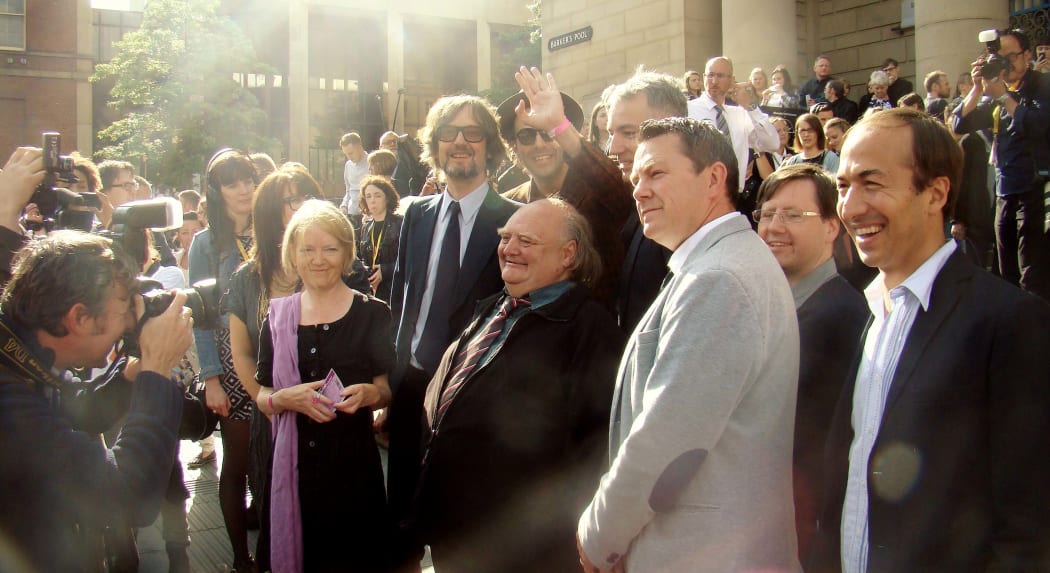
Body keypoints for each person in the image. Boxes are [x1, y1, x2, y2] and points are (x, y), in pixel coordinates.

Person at [810, 107, 1050, 571]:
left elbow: (1029, 528)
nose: (852, 207)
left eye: (871, 183)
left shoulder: (1010, 322)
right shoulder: (867, 314)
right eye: (843, 186)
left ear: (936, 192)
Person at [577, 117, 800, 572]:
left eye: (656, 173)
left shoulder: (719, 278)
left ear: (715, 178)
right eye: (636, 177)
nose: (638, 190)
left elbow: (666, 442)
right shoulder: (718, 265)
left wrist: (599, 537)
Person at [0, 147, 192, 570]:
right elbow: (127, 495)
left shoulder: (22, 358)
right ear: (79, 318)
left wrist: (128, 381)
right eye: (124, 308)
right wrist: (157, 371)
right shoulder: (9, 405)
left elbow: (71, 416)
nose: (130, 322)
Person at [413, 199, 622, 573]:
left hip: (523, 550)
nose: (509, 249)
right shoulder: (495, 307)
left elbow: (595, 452)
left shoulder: (589, 329)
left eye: (526, 240)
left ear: (568, 254)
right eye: (506, 237)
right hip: (456, 535)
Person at [385, 94, 519, 571]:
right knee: (400, 524)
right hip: (410, 387)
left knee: (458, 536)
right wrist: (391, 377)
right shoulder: (415, 215)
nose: (460, 142)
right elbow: (403, 298)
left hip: (472, 402)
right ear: (434, 146)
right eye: (448, 133)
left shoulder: (512, 219)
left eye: (473, 133)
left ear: (491, 147)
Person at [256, 199, 394, 572]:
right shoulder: (278, 315)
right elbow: (262, 394)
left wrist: (371, 394)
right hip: (294, 468)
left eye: (330, 249)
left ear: (347, 253)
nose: (319, 259)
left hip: (352, 469)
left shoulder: (372, 312)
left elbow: (385, 387)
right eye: (308, 250)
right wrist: (284, 398)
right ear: (293, 254)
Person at [753, 163, 868, 562]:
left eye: (793, 215)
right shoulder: (775, 308)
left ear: (833, 227)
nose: (774, 227)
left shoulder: (843, 316)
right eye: (767, 214)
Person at [224, 164, 318, 571]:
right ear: (268, 212)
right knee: (274, 517)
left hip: (325, 415)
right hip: (272, 415)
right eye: (290, 200)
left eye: (306, 196)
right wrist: (263, 397)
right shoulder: (247, 278)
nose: (301, 207)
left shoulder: (329, 265)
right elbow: (241, 350)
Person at [497, 67, 635, 309]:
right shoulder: (508, 204)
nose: (539, 144)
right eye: (527, 136)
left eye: (548, 134)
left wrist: (559, 125)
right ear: (514, 147)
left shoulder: (600, 191)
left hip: (594, 335)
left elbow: (623, 192)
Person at [188, 147, 259, 572]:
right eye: (233, 183)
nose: (244, 189)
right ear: (215, 189)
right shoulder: (204, 242)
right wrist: (211, 378)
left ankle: (274, 547)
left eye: (248, 179)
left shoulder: (270, 227)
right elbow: (198, 319)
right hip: (230, 361)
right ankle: (239, 557)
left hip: (272, 352)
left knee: (271, 461)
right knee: (236, 461)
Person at [953, 28, 1050, 301]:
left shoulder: (1043, 85)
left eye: (1012, 56)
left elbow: (1038, 125)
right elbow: (960, 124)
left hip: (1037, 190)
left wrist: (1003, 98)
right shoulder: (997, 92)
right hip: (1005, 192)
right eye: (1000, 58)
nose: (1006, 64)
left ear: (1027, 55)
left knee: (1034, 274)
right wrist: (976, 87)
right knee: (1006, 275)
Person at [604, 68, 686, 332]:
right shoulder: (640, 200)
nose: (613, 149)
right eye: (611, 133)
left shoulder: (684, 212)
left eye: (628, 133)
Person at [688, 56, 780, 192]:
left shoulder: (740, 114)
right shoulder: (688, 109)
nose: (714, 81)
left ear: (732, 80)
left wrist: (751, 107)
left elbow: (772, 144)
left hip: (732, 196)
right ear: (704, 77)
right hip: (698, 192)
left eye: (720, 76)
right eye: (710, 75)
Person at [357, 175, 402, 302]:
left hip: (395, 291)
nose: (372, 200)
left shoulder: (401, 223)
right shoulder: (366, 227)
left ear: (387, 198)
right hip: (371, 292)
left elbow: (411, 260)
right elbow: (362, 258)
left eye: (377, 195)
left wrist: (385, 271)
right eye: (368, 196)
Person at [339, 132, 369, 220]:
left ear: (359, 146)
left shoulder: (372, 162)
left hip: (368, 214)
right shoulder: (348, 165)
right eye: (346, 154)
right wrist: (344, 205)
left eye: (351, 153)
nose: (349, 157)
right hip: (351, 213)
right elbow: (348, 191)